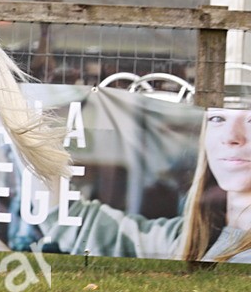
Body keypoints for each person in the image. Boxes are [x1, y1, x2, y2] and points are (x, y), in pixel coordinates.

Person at [37, 106, 251, 263]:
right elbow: (79, 223)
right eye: (217, 118)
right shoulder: (187, 238)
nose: (231, 137)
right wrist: (36, 141)